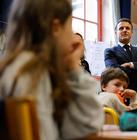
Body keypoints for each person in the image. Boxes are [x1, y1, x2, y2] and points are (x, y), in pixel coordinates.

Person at [0, 0, 103, 140]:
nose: (72, 36)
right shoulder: (31, 72)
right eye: (70, 27)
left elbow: (82, 129)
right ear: (56, 28)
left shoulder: (20, 66)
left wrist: (73, 67)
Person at [104, 18, 137, 108]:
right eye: (121, 28)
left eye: (127, 28)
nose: (124, 30)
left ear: (131, 32)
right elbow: (113, 71)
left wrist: (131, 65)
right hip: (121, 96)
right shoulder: (110, 51)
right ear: (116, 32)